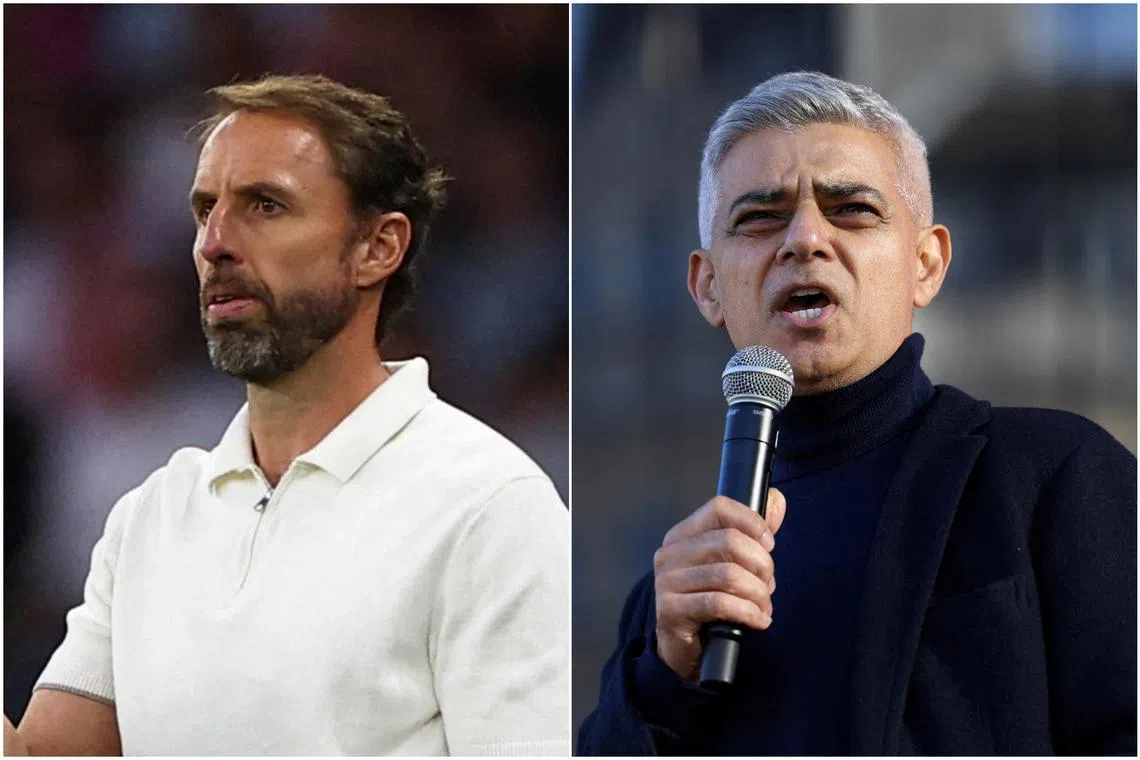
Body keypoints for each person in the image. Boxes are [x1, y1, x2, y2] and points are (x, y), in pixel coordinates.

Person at [4, 74, 569, 757]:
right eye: (204, 209)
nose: (214, 243)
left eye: (265, 206)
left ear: (378, 247)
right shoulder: (149, 517)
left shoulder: (490, 507)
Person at [577, 71, 1136, 755]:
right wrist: (665, 676)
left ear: (926, 264)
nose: (805, 239)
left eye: (852, 209)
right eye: (760, 217)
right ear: (707, 286)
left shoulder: (1052, 476)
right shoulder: (675, 593)